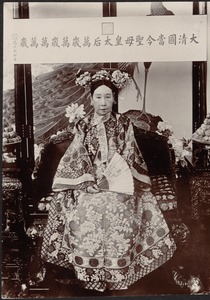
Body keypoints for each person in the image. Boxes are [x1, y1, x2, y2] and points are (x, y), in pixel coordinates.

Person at [41, 69, 177, 292]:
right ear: (91, 98)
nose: (103, 103)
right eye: (98, 97)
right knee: (86, 206)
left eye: (107, 97)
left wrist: (116, 179)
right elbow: (77, 155)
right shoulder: (83, 125)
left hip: (118, 183)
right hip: (89, 183)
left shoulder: (124, 124)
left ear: (114, 98)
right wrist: (87, 182)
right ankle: (91, 274)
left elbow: (129, 153)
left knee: (117, 205)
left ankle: (119, 273)